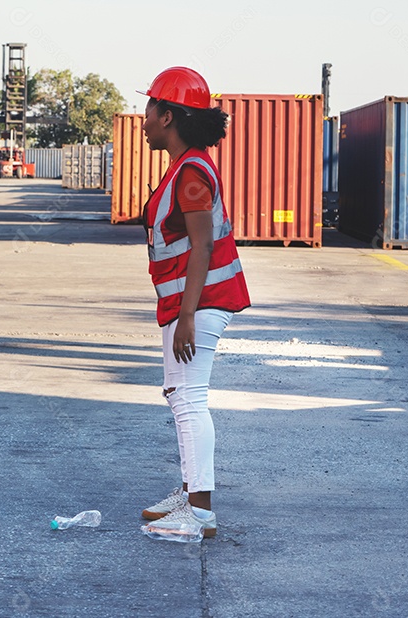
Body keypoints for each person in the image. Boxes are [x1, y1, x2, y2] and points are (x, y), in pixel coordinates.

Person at [136, 67, 251, 540]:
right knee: (179, 396)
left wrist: (186, 316)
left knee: (189, 399)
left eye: (148, 109)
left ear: (168, 116)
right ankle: (189, 493)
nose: (142, 118)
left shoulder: (192, 173)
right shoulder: (185, 167)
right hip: (188, 304)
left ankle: (200, 512)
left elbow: (202, 248)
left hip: (200, 305)